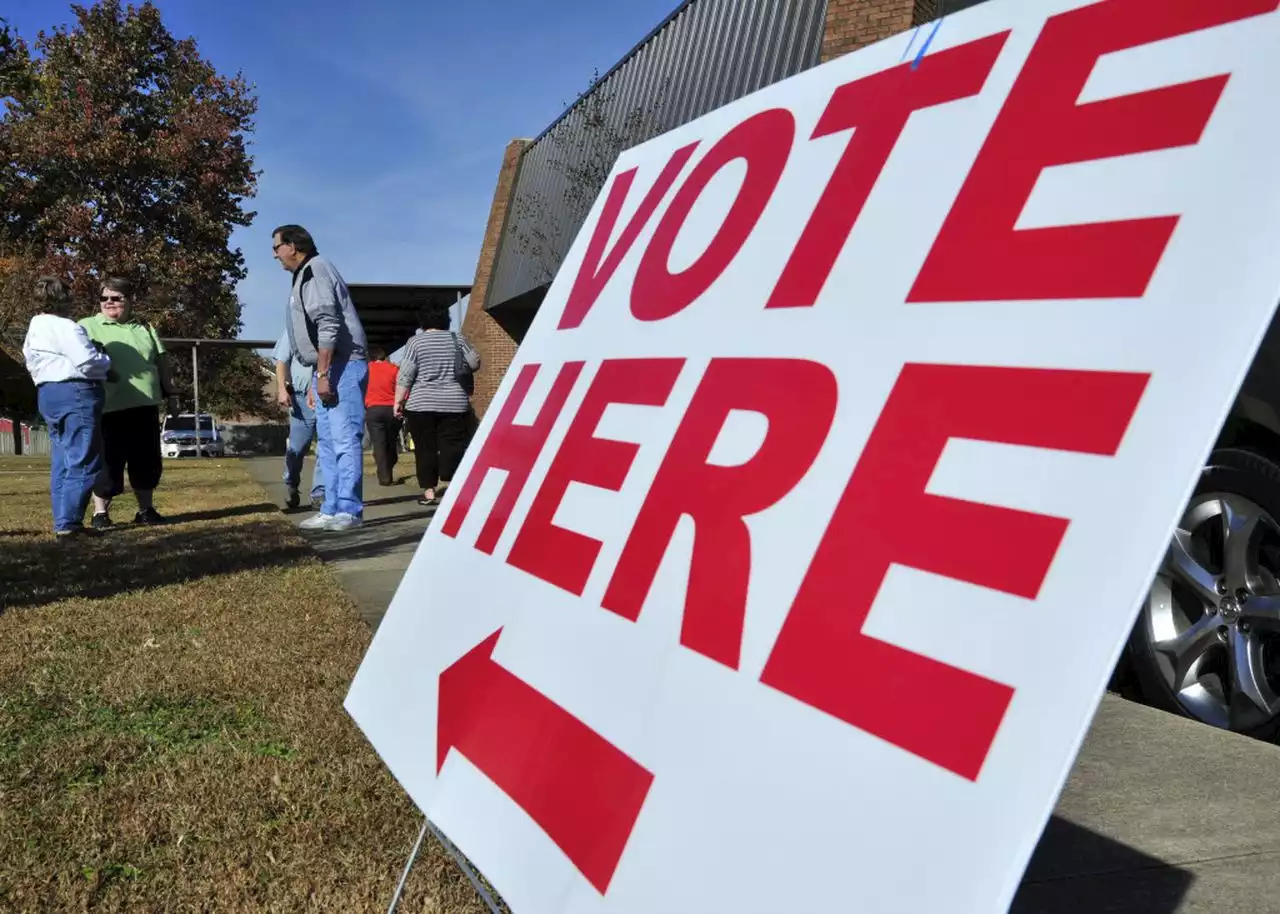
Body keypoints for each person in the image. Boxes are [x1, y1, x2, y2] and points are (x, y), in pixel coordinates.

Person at [272, 224, 368, 531]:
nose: (275, 255)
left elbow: (328, 324)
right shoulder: (304, 274)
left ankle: (349, 510)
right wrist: (316, 376)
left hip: (343, 365)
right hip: (326, 368)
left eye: (276, 248)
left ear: (292, 246)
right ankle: (330, 508)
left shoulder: (316, 270)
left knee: (343, 439)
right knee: (326, 443)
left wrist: (324, 373)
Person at [80, 277, 175, 528]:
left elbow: (161, 362)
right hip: (106, 407)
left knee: (147, 462)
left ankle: (146, 510)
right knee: (108, 464)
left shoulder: (145, 327)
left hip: (145, 406)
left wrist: (172, 393)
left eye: (116, 297)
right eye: (104, 298)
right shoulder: (86, 326)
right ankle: (100, 513)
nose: (109, 302)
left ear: (129, 300)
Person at [22, 276, 112, 537]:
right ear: (64, 298)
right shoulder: (66, 327)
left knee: (62, 459)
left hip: (48, 393)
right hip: (76, 392)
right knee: (84, 459)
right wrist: (105, 360)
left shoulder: (35, 327)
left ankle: (63, 520)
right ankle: (70, 523)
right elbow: (87, 362)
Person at [393, 304, 480, 506]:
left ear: (422, 321)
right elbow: (475, 362)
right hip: (454, 402)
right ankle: (449, 474)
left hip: (421, 404)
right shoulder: (457, 339)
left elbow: (405, 374)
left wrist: (397, 401)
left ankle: (429, 492)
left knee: (425, 448)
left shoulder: (415, 342)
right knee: (453, 443)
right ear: (445, 319)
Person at [273, 330, 325, 509]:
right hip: (301, 398)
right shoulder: (292, 329)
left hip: (326, 396)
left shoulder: (327, 327)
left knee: (325, 446)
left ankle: (319, 493)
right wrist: (281, 389)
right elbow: (281, 361)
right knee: (297, 447)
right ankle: (291, 484)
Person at [364, 345, 402, 487]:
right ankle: (390, 464)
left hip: (373, 409)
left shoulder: (366, 370)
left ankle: (385, 477)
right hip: (392, 409)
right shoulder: (394, 369)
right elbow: (402, 387)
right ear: (384, 357)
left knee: (378, 444)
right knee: (391, 441)